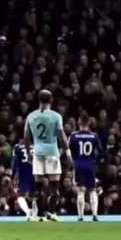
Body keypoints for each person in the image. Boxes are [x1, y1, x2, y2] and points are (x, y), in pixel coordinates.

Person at [24, 90, 72, 222]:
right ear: (51, 100)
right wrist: (68, 153)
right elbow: (62, 136)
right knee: (54, 185)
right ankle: (51, 212)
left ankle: (40, 215)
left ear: (38, 100)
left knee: (38, 185)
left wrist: (28, 153)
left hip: (37, 152)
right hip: (52, 152)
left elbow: (26, 137)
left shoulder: (31, 116)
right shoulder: (56, 116)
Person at [70, 114, 103, 221]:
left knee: (81, 191)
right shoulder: (94, 136)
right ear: (89, 123)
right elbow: (101, 150)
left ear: (79, 123)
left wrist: (72, 160)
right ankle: (95, 215)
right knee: (93, 190)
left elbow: (68, 149)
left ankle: (80, 216)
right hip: (90, 165)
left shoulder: (73, 135)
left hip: (78, 164)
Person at [11, 140, 37, 220]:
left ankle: (27, 212)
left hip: (23, 173)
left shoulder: (17, 147)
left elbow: (14, 162)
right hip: (36, 172)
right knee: (35, 195)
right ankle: (34, 215)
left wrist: (12, 174)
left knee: (21, 196)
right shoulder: (38, 146)